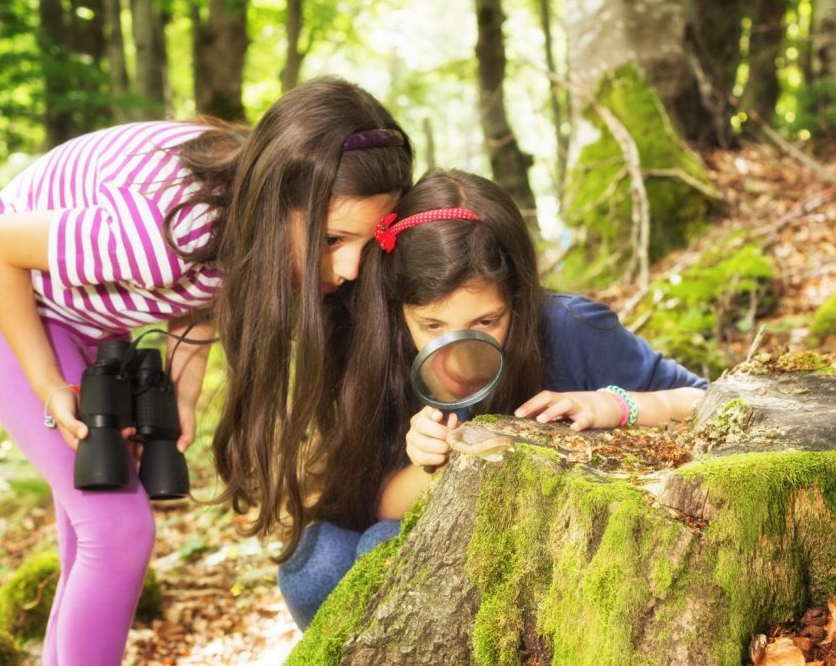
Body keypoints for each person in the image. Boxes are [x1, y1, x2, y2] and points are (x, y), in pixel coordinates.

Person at [0, 77, 412, 665]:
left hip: (96, 320)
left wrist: (182, 394)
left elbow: (199, 294)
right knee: (117, 532)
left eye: (367, 243)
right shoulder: (158, 232)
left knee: (90, 530)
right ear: (277, 203)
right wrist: (46, 385)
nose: (348, 268)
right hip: (3, 308)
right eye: (331, 239)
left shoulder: (242, 215)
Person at [277, 169, 707, 629]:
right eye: (433, 327)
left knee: (382, 546)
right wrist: (429, 464)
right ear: (398, 308)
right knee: (315, 562)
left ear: (517, 296)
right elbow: (369, 504)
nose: (460, 350)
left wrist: (616, 406)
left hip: (560, 544)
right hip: (440, 539)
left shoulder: (569, 328)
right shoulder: (383, 353)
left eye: (486, 322)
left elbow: (707, 400)